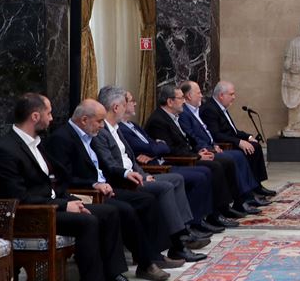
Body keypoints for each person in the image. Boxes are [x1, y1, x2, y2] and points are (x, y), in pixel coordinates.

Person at [0, 94, 136, 281]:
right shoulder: (7, 148)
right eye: (48, 113)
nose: (52, 118)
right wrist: (63, 206)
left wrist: (70, 199)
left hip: (52, 205)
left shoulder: (37, 143)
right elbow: (18, 197)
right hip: (31, 216)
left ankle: (113, 277)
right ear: (35, 116)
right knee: (87, 222)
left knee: (109, 212)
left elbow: (54, 182)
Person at [47, 100, 175, 281]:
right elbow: (64, 178)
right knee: (125, 210)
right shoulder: (61, 138)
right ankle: (142, 264)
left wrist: (124, 173)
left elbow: (105, 165)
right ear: (84, 120)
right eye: (99, 121)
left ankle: (154, 255)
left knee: (146, 200)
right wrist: (93, 185)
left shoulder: (89, 135)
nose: (102, 126)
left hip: (104, 187)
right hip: (84, 193)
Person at [95, 86, 208, 262]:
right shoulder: (101, 133)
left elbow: (131, 159)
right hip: (124, 182)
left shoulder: (117, 129)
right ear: (116, 107)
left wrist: (143, 173)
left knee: (177, 179)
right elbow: (111, 165)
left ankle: (185, 230)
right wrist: (137, 175)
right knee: (165, 187)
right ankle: (178, 243)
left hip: (139, 174)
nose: (129, 106)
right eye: (125, 104)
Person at [117, 89, 223, 233]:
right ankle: (192, 224)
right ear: (170, 101)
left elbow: (158, 146)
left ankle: (201, 219)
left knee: (206, 171)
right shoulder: (134, 126)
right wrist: (156, 148)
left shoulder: (133, 125)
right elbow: (154, 147)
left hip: (161, 162)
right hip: (157, 167)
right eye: (132, 101)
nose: (135, 104)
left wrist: (155, 148)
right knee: (200, 174)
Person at [145, 85, 247, 223]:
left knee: (220, 163)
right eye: (181, 98)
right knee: (213, 167)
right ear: (170, 102)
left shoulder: (173, 116)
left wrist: (198, 151)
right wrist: (197, 156)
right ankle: (207, 217)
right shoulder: (158, 120)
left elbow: (188, 140)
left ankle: (221, 209)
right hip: (175, 161)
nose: (184, 101)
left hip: (188, 156)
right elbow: (170, 150)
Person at [179, 81, 269, 214]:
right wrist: (209, 148)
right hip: (205, 150)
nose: (201, 96)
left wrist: (245, 137)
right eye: (198, 93)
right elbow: (194, 136)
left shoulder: (196, 110)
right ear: (189, 96)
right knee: (233, 157)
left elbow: (217, 132)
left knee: (252, 148)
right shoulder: (197, 111)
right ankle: (238, 200)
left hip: (213, 146)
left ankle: (252, 191)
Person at [200, 80, 274, 195]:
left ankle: (257, 185)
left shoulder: (221, 107)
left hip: (230, 140)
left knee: (255, 146)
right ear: (221, 95)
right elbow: (216, 134)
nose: (234, 97)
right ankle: (250, 189)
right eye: (231, 94)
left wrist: (248, 137)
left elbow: (233, 130)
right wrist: (239, 142)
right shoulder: (210, 109)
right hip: (223, 144)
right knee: (248, 150)